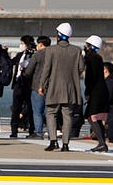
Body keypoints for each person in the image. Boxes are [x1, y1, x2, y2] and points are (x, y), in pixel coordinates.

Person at [32, 22, 85, 151]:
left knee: (51, 113)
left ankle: (53, 141)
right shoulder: (76, 50)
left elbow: (46, 70)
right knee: (67, 115)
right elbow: (81, 68)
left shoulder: (51, 50)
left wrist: (41, 85)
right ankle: (65, 144)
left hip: (54, 87)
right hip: (70, 88)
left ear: (58, 35)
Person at [81, 35, 110, 151]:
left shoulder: (91, 59)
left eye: (86, 45)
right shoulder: (98, 58)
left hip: (95, 91)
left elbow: (90, 78)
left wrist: (87, 92)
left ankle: (102, 143)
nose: (84, 47)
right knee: (97, 118)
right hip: (101, 91)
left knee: (91, 117)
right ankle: (102, 143)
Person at [9, 36, 36, 137]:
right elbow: (11, 62)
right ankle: (14, 130)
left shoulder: (34, 56)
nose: (21, 45)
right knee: (16, 107)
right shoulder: (20, 55)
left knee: (30, 107)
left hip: (28, 84)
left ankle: (32, 129)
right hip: (18, 83)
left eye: (22, 43)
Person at [24, 35, 50, 138]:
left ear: (41, 44)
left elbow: (28, 71)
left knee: (37, 111)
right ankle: (51, 132)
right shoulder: (53, 54)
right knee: (50, 112)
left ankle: (38, 132)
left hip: (37, 85)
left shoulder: (37, 55)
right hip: (51, 86)